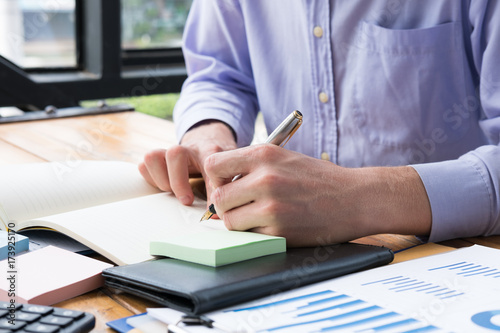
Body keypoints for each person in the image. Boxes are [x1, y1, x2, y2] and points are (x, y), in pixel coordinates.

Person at [139, 0, 500, 246]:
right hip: (285, 250)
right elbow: (220, 74)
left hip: (452, 258)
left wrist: (360, 199)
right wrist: (209, 133)